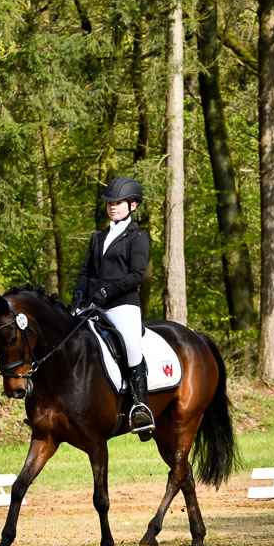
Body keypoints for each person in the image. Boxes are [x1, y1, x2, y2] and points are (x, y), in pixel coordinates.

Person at [71, 175, 155, 441]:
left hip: (122, 306)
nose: (112, 207)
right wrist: (78, 295)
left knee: (130, 347)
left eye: (118, 203)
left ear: (133, 205)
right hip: (93, 305)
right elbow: (86, 271)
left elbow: (136, 275)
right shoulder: (98, 237)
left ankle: (140, 407)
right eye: (109, 203)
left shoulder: (137, 237)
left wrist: (108, 290)